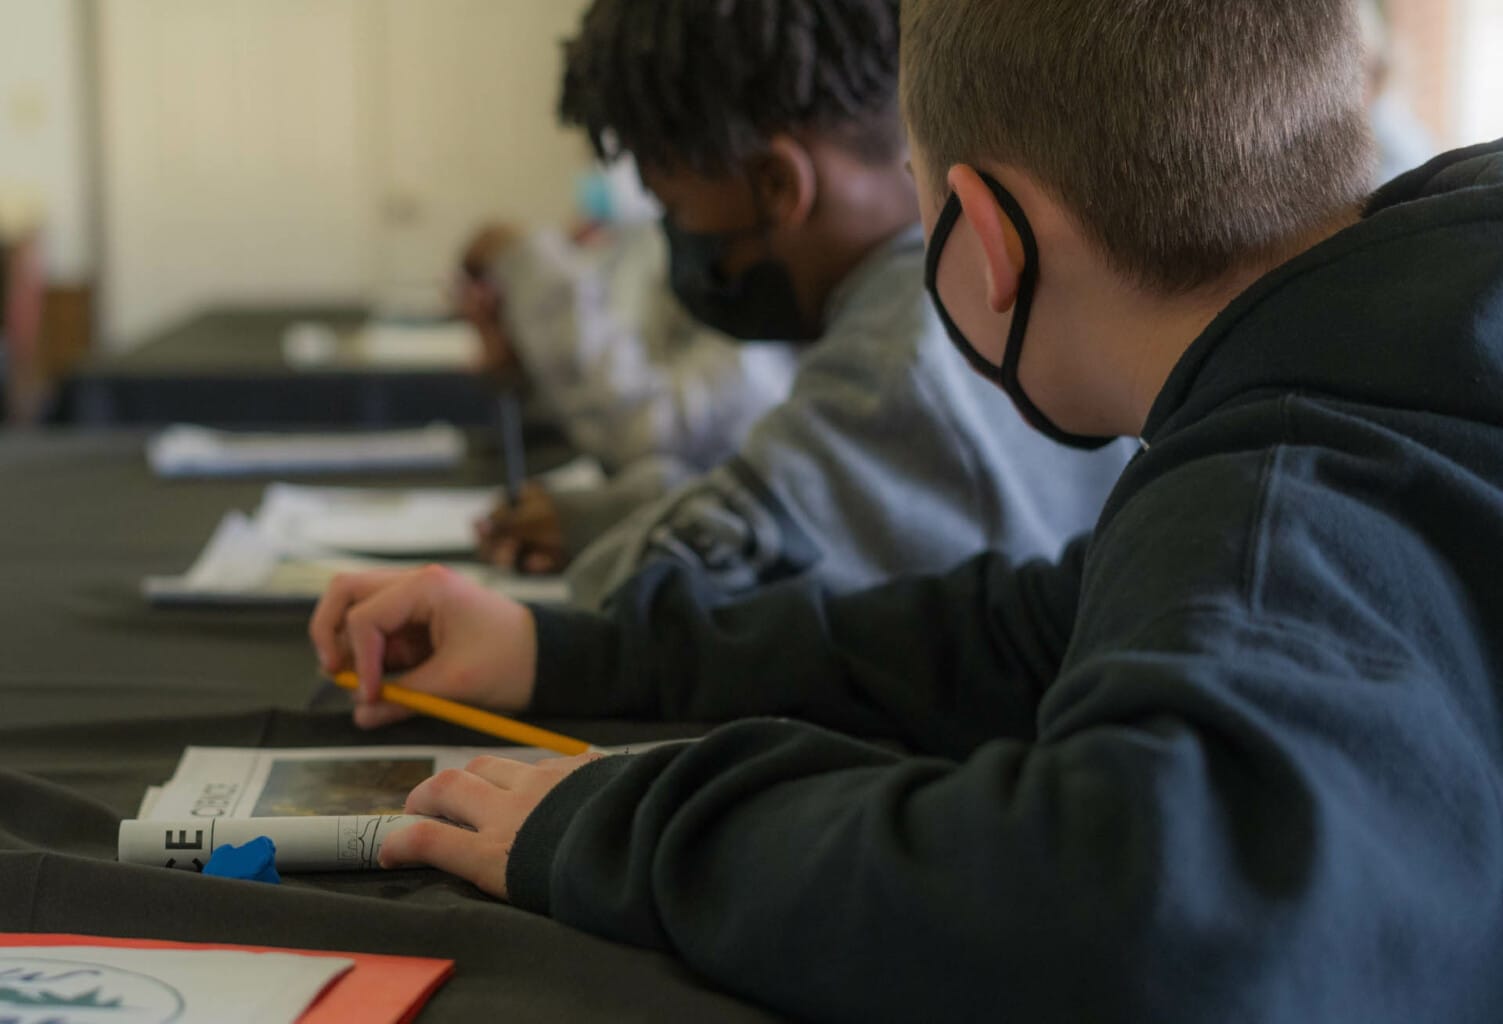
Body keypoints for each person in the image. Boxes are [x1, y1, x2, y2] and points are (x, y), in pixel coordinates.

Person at [312, 0, 1503, 1019]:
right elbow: (1028, 630)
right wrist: (566, 653)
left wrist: (626, 823)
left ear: (987, 237)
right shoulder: (1402, 339)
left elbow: (1137, 908)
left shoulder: (1270, 501)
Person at [478, 0, 1133, 604]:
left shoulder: (898, 363)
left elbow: (641, 597)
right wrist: (634, 507)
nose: (672, 235)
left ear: (776, 183)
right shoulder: (965, 301)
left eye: (674, 206)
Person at [456, 159, 800, 557]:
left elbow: (651, 432)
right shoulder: (639, 241)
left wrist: (529, 264)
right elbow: (601, 402)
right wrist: (516, 366)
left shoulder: (754, 281)